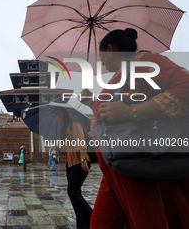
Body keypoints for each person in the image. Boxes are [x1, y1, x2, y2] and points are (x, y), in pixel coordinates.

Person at [80, 28, 189, 229]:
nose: (101, 62)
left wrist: (133, 112)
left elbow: (186, 87)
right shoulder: (120, 76)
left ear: (110, 49)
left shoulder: (147, 62)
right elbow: (110, 116)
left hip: (141, 168)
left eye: (101, 55)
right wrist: (91, 102)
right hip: (115, 168)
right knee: (100, 224)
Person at [54, 107, 92, 229]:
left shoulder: (74, 124)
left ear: (64, 112)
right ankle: (82, 224)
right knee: (75, 192)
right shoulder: (62, 130)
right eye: (56, 113)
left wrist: (82, 160)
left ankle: (93, 217)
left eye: (59, 112)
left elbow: (81, 142)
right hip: (69, 163)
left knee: (73, 192)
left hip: (80, 161)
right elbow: (66, 149)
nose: (58, 114)